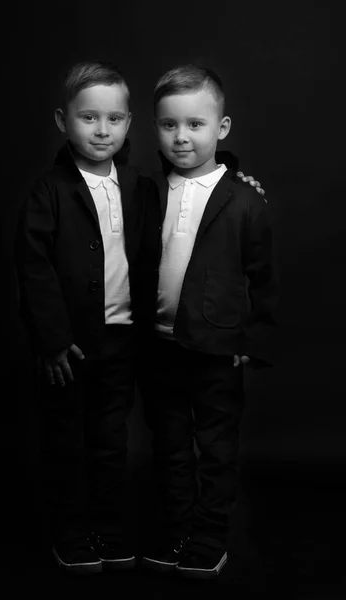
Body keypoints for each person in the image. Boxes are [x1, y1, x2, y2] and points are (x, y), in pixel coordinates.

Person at [15, 59, 264, 576]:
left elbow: (215, 192)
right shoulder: (67, 190)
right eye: (89, 118)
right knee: (84, 440)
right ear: (64, 121)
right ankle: (85, 532)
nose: (102, 129)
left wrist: (240, 179)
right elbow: (34, 268)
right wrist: (53, 338)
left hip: (140, 342)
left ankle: (131, 530)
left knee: (117, 442)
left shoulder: (138, 186)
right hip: (92, 343)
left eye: (114, 119)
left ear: (128, 124)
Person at [140, 64, 278, 579]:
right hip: (160, 347)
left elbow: (264, 275)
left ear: (221, 129)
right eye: (169, 125)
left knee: (216, 449)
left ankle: (210, 534)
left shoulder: (244, 197)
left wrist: (254, 338)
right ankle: (176, 527)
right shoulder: (147, 192)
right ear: (154, 127)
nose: (181, 137)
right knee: (170, 445)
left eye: (196, 125)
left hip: (218, 350)